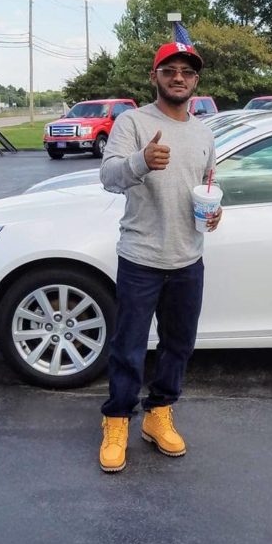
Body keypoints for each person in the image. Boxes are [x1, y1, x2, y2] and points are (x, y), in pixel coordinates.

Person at [97, 41, 221, 473]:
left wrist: (214, 211)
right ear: (155, 76)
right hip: (141, 257)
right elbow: (109, 176)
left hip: (188, 258)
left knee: (179, 345)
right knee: (128, 347)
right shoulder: (133, 122)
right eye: (170, 69)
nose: (179, 77)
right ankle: (116, 421)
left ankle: (158, 414)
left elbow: (205, 186)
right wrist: (141, 161)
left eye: (187, 71)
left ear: (196, 81)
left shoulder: (205, 133)